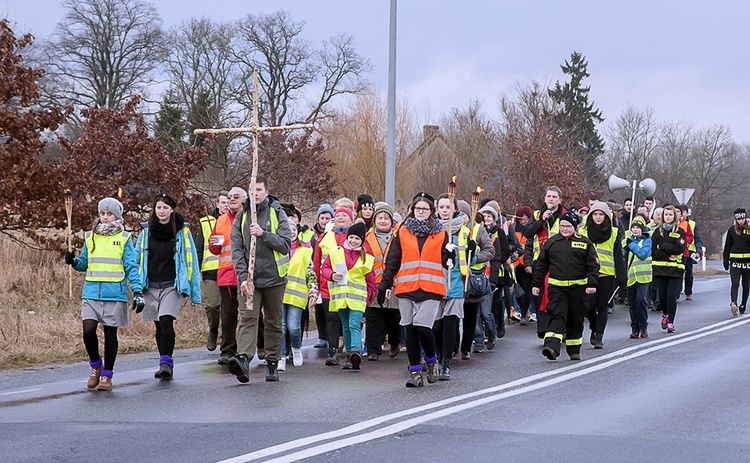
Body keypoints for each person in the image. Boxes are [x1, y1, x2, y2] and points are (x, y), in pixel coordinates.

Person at [64, 197, 143, 391]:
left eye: (109, 214)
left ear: (117, 216)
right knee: (88, 331)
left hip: (114, 293)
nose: (105, 217)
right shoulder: (91, 236)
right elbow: (85, 262)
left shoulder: (124, 238)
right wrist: (74, 262)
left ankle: (107, 375)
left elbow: (131, 266)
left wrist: (138, 290)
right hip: (91, 292)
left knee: (110, 335)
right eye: (102, 213)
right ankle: (95, 365)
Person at [377, 192, 451, 387]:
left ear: (431, 211)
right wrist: (384, 284)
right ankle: (415, 373)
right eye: (418, 209)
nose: (421, 212)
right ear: (412, 210)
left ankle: (431, 360)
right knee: (409, 330)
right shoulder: (402, 231)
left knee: (422, 327)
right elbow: (393, 260)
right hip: (406, 287)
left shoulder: (441, 232)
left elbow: (448, 262)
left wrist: (452, 254)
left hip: (431, 287)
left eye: (425, 209)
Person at [228, 176, 292, 383]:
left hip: (274, 279)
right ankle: (243, 360)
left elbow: (285, 244)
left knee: (274, 321)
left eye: (259, 190)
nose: (255, 195)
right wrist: (242, 277)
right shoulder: (242, 216)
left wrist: (263, 234)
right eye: (252, 191)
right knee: (248, 318)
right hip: (250, 280)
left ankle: (272, 361)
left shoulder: (277, 212)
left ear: (266, 191)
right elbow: (236, 249)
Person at [135, 193, 202, 379]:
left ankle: (166, 363)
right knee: (158, 325)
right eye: (158, 207)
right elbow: (135, 259)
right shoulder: (146, 233)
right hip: (150, 285)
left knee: (166, 320)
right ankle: (162, 359)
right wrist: (136, 287)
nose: (161, 211)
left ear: (172, 209)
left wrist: (194, 290)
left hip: (172, 285)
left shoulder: (181, 232)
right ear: (154, 209)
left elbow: (192, 262)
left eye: (165, 207)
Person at [531, 212, 599, 361]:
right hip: (556, 288)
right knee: (557, 315)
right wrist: (536, 284)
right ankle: (551, 347)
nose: (565, 229)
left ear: (575, 227)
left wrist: (592, 283)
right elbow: (542, 265)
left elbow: (593, 265)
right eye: (562, 226)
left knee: (575, 318)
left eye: (568, 226)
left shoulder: (585, 243)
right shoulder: (552, 242)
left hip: (578, 288)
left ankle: (574, 350)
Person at [322, 222, 377, 370]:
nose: (353, 241)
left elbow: (372, 282)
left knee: (354, 325)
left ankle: (355, 352)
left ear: (362, 241)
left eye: (357, 239)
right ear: (347, 237)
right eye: (351, 237)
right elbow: (325, 268)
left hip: (358, 299)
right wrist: (332, 275)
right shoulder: (335, 252)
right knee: (345, 327)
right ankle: (348, 356)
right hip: (341, 298)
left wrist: (368, 300)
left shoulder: (367, 258)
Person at [433, 194, 472, 380]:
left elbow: (469, 256)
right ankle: (437, 355)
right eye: (441, 207)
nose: (445, 210)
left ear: (454, 209)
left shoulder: (464, 231)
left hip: (456, 281)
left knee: (450, 322)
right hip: (435, 281)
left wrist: (473, 250)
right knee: (436, 325)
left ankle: (446, 362)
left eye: (448, 207)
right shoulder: (432, 229)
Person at [523, 186, 568, 339]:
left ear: (560, 200)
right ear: (544, 198)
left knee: (556, 296)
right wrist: (542, 219)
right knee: (540, 295)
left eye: (554, 197)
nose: (551, 199)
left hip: (560, 262)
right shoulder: (537, 215)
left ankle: (558, 329)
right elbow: (527, 233)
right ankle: (543, 328)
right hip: (540, 262)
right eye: (549, 196)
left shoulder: (565, 215)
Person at [579, 201, 626, 349]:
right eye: (595, 214)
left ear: (606, 216)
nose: (598, 217)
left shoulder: (613, 232)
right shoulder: (583, 232)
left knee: (602, 305)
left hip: (607, 274)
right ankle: (594, 327)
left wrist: (622, 277)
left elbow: (618, 255)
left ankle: (599, 335)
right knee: (589, 306)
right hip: (588, 274)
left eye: (601, 214)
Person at [314, 205, 356, 365]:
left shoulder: (355, 237)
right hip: (328, 285)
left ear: (350, 220)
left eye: (344, 216)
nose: (339, 218)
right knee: (331, 318)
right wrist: (317, 285)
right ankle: (332, 353)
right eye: (337, 216)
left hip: (350, 286)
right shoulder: (323, 239)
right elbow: (317, 262)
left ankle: (351, 350)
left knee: (349, 320)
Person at [208, 187, 246, 365]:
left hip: (247, 274)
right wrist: (213, 243)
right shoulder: (221, 220)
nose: (231, 200)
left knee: (251, 314)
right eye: (229, 197)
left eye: (235, 197)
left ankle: (261, 346)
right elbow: (216, 249)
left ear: (244, 199)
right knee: (228, 315)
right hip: (226, 274)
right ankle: (227, 351)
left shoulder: (250, 218)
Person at [364, 202, 402, 361]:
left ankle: (395, 342)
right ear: (375, 220)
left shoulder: (398, 237)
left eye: (386, 218)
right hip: (373, 284)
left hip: (394, 284)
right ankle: (373, 350)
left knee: (393, 319)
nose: (383, 221)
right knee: (373, 319)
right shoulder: (366, 238)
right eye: (380, 218)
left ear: (391, 221)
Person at [281, 219, 317, 369]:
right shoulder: (277, 250)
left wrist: (313, 292)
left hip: (297, 294)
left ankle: (296, 349)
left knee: (294, 327)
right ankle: (281, 356)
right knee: (280, 327)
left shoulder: (306, 250)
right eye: (288, 229)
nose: (292, 232)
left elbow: (310, 273)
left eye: (294, 229)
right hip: (279, 295)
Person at [195, 190, 228, 352]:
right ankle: (213, 330)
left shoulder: (237, 220)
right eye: (223, 202)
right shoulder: (205, 222)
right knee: (213, 305)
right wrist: (196, 272)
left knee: (230, 309)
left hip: (230, 270)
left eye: (228, 202)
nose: (226, 205)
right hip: (211, 271)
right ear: (217, 204)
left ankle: (228, 341)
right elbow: (199, 248)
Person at [473, 202, 509, 353]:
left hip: (487, 278)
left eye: (489, 216)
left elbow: (496, 258)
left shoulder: (496, 235)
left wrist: (494, 280)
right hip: (473, 278)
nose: (486, 219)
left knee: (486, 312)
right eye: (484, 216)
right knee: (475, 314)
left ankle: (491, 334)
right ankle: (479, 341)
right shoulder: (472, 234)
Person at [651, 205, 687, 333]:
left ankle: (671, 322)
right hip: (660, 269)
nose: (668, 217)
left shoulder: (680, 232)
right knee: (662, 297)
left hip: (675, 269)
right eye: (666, 215)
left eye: (670, 215)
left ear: (674, 216)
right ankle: (665, 314)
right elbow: (654, 250)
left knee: (671, 296)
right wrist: (667, 250)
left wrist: (664, 246)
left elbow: (679, 249)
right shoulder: (657, 232)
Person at [623, 217, 652, 338]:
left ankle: (643, 326)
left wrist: (631, 245)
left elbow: (642, 254)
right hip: (631, 276)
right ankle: (634, 328)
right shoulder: (627, 241)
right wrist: (625, 246)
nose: (635, 230)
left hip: (643, 276)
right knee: (632, 303)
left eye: (637, 228)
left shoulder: (647, 241)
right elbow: (621, 255)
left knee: (641, 300)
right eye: (633, 228)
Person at [312, 203, 335, 348]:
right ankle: (322, 336)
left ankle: (332, 338)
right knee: (320, 308)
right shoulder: (312, 235)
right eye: (322, 217)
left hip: (331, 277)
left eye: (328, 217)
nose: (325, 220)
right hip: (320, 275)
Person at [723, 208, 750, 316]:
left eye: (742, 219)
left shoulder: (749, 230)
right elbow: (727, 246)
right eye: (739, 219)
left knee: (746, 284)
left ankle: (743, 304)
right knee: (735, 283)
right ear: (736, 219)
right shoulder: (731, 230)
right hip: (735, 262)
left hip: (747, 262)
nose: (741, 221)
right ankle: (733, 303)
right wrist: (726, 260)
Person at [679, 204, 703, 300]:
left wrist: (698, 250)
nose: (681, 214)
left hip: (689, 250)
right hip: (678, 250)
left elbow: (697, 238)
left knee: (688, 272)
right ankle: (677, 290)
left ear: (687, 213)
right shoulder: (676, 222)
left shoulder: (692, 224)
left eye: (683, 212)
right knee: (678, 271)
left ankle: (688, 292)